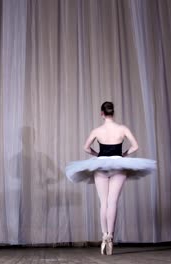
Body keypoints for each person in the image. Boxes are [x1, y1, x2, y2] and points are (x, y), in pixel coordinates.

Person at [65, 101, 157, 255]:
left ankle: (103, 236)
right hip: (118, 164)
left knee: (104, 203)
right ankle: (110, 238)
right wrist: (123, 156)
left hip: (100, 165)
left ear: (102, 113)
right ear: (113, 113)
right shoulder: (122, 128)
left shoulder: (97, 130)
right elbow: (135, 146)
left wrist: (97, 155)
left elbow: (85, 148)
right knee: (113, 202)